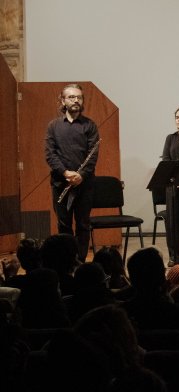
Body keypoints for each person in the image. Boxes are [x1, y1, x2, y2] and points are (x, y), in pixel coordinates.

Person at [45, 83, 100, 261]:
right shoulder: (53, 126)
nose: (76, 100)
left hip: (84, 184)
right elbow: (50, 154)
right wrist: (65, 173)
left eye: (79, 97)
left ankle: (80, 261)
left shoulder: (90, 125)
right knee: (64, 225)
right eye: (71, 97)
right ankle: (67, 262)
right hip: (60, 183)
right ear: (63, 101)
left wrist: (80, 175)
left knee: (83, 225)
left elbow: (92, 156)